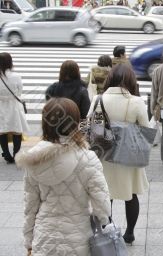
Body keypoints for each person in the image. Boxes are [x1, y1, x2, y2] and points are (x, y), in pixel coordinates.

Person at [16, 98, 111, 256]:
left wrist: (28, 240)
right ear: (75, 123)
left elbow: (30, 206)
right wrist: (104, 223)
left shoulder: (33, 160)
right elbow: (103, 206)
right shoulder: (87, 158)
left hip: (45, 237)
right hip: (79, 237)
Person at [88, 64, 149, 245]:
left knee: (106, 195)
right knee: (131, 195)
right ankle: (129, 233)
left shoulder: (98, 98)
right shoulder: (136, 102)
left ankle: (108, 229)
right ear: (131, 80)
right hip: (128, 156)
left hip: (103, 156)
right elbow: (146, 130)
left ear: (110, 79)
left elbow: (90, 124)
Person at [0, 52, 29, 164]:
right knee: (17, 130)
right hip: (14, 106)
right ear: (10, 63)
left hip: (1, 105)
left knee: (2, 131)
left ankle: (6, 155)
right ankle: (16, 154)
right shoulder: (16, 76)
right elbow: (20, 91)